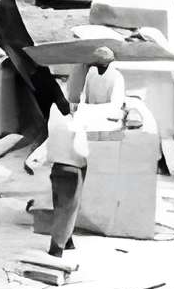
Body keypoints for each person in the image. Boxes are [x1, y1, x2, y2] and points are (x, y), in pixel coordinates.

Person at [43, 47, 126, 260]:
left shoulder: (116, 78)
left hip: (59, 163)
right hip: (74, 163)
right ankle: (58, 246)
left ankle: (66, 240)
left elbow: (111, 104)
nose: (96, 69)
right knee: (68, 207)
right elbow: (81, 145)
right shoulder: (75, 121)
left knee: (62, 204)